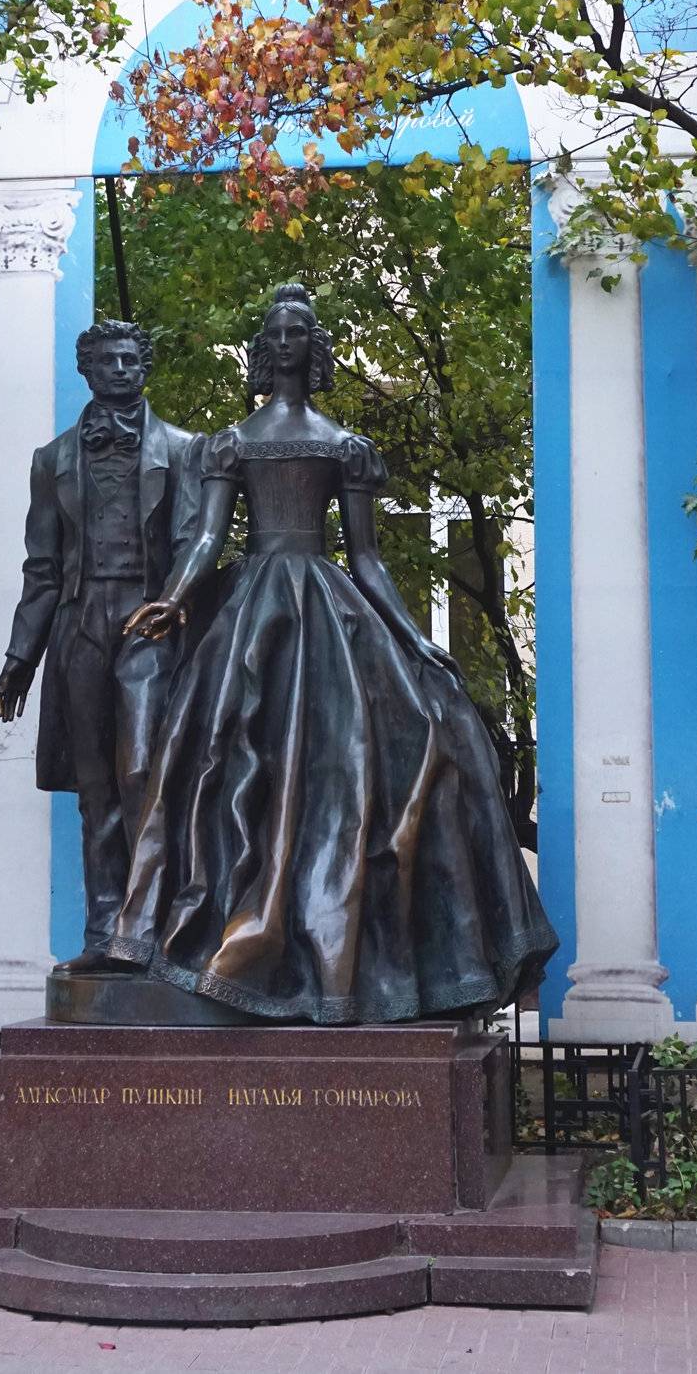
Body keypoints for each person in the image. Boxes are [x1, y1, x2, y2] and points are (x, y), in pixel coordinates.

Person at [104, 285, 557, 1023]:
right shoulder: (232, 442)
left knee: (389, 749)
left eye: (298, 332)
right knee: (224, 760)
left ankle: (358, 957)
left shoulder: (345, 447)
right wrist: (176, 598)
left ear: (313, 348)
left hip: (326, 604)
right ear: (264, 348)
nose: (285, 342)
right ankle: (222, 930)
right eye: (275, 332)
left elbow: (367, 558)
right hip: (252, 612)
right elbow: (210, 538)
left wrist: (414, 638)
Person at [0, 318, 203, 973]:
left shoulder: (183, 450)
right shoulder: (52, 459)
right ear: (86, 370)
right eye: (107, 360)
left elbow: (193, 542)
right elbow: (41, 568)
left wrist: (174, 603)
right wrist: (21, 656)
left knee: (141, 774)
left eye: (129, 359)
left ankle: (155, 931)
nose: (119, 369)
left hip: (149, 622)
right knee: (95, 789)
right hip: (80, 623)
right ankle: (104, 933)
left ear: (145, 366)